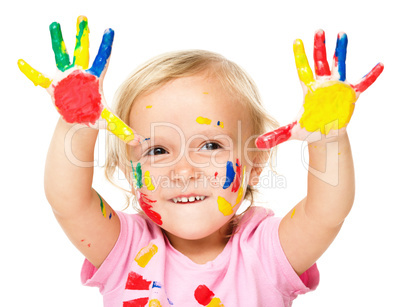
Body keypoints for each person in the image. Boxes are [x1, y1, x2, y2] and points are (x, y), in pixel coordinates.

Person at [18, 16, 383, 307]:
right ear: (132, 173)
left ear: (254, 162)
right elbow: (69, 202)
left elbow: (326, 212)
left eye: (209, 145)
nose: (183, 171)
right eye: (157, 151)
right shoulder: (125, 248)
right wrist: (76, 121)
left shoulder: (266, 253)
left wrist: (329, 136)